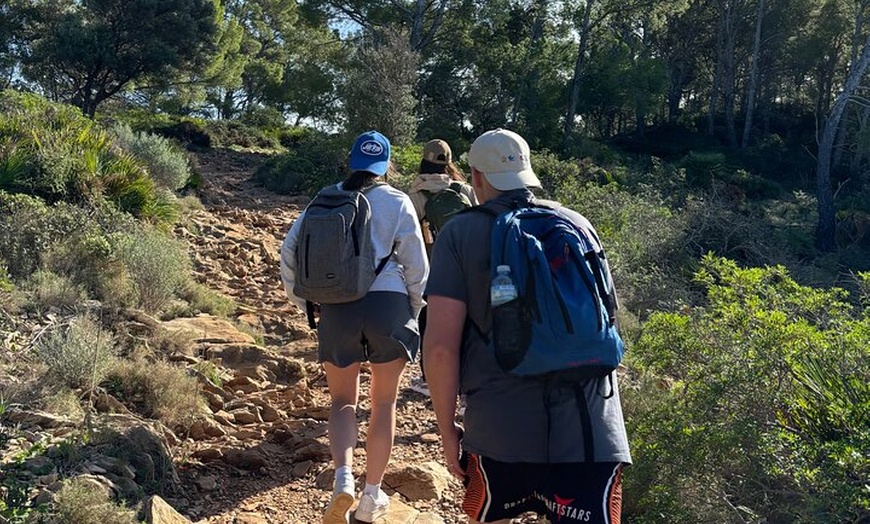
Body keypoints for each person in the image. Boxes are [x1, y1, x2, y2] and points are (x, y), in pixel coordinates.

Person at [422, 129, 631, 524]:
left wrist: (447, 428)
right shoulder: (577, 223)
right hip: (591, 428)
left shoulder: (459, 233)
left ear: (476, 177)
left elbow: (440, 348)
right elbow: (608, 320)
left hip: (500, 427)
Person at [280, 130, 429, 524]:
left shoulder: (324, 199)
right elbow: (417, 265)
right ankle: (371, 497)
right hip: (390, 305)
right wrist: (414, 309)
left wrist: (307, 303)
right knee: (384, 403)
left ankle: (342, 480)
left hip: (337, 308)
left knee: (342, 402)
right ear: (387, 166)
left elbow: (290, 252)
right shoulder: (397, 201)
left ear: (351, 162)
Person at [406, 139, 477, 397]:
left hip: (432, 270)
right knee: (468, 324)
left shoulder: (415, 195)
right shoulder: (465, 190)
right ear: (448, 163)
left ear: (423, 160)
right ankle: (467, 378)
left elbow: (409, 238)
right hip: (467, 269)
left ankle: (429, 379)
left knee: (429, 325)